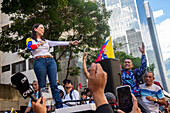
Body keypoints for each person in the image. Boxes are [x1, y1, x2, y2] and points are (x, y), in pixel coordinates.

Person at [32, 63, 142, 113]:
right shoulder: (65, 95)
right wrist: (98, 92)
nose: (66, 84)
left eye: (68, 82)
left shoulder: (74, 93)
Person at [26, 23, 79, 108]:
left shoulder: (46, 41)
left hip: (50, 60)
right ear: (35, 29)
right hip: (39, 61)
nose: (43, 30)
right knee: (42, 86)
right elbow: (30, 47)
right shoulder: (30, 39)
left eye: (43, 28)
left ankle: (59, 105)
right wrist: (40, 43)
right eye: (41, 28)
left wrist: (70, 42)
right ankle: (43, 106)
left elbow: (57, 43)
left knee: (54, 84)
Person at [121, 42, 149, 113]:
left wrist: (143, 54)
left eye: (128, 62)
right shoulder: (120, 73)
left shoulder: (135, 73)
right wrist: (105, 54)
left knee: (146, 111)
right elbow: (110, 69)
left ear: (132, 65)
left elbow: (143, 67)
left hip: (136, 96)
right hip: (125, 98)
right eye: (125, 62)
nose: (126, 63)